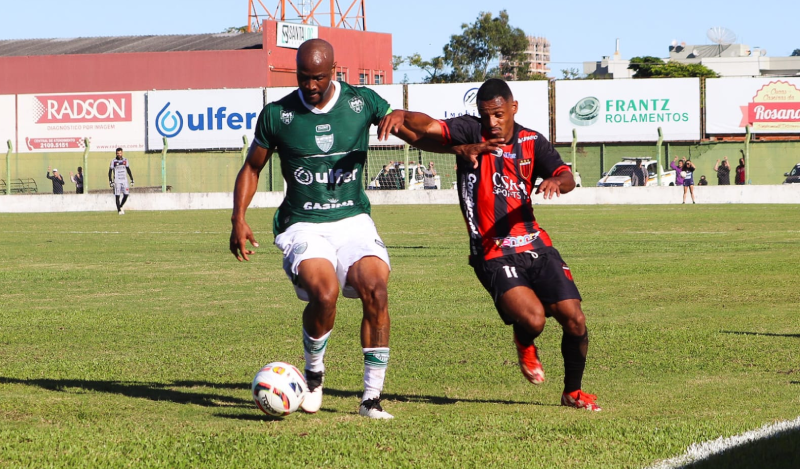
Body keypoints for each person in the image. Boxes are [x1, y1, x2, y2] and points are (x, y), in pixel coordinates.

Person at [379, 78, 601, 411]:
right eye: (486, 116)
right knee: (534, 320)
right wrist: (402, 114)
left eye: (498, 114)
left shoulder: (531, 141)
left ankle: (572, 392)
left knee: (575, 319)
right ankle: (524, 341)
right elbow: (429, 127)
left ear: (513, 108)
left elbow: (566, 175)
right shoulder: (470, 132)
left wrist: (557, 180)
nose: (492, 123)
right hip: (492, 251)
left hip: (535, 243)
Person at [229, 39, 394, 419]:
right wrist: (238, 218)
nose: (310, 86)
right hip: (302, 224)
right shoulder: (277, 114)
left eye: (318, 78)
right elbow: (252, 167)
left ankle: (371, 398)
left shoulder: (361, 102)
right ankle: (314, 376)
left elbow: (407, 124)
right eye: (304, 78)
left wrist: (453, 143)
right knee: (325, 294)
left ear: (333, 71)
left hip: (353, 220)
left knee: (377, 290)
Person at [108, 147, 134, 214]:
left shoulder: (125, 160)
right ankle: (119, 210)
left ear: (122, 153)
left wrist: (131, 178)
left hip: (124, 180)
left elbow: (128, 169)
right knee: (117, 195)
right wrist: (110, 181)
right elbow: (110, 172)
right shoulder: (113, 161)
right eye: (117, 153)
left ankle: (121, 206)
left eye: (120, 153)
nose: (119, 154)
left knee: (126, 194)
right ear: (116, 154)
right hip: (117, 181)